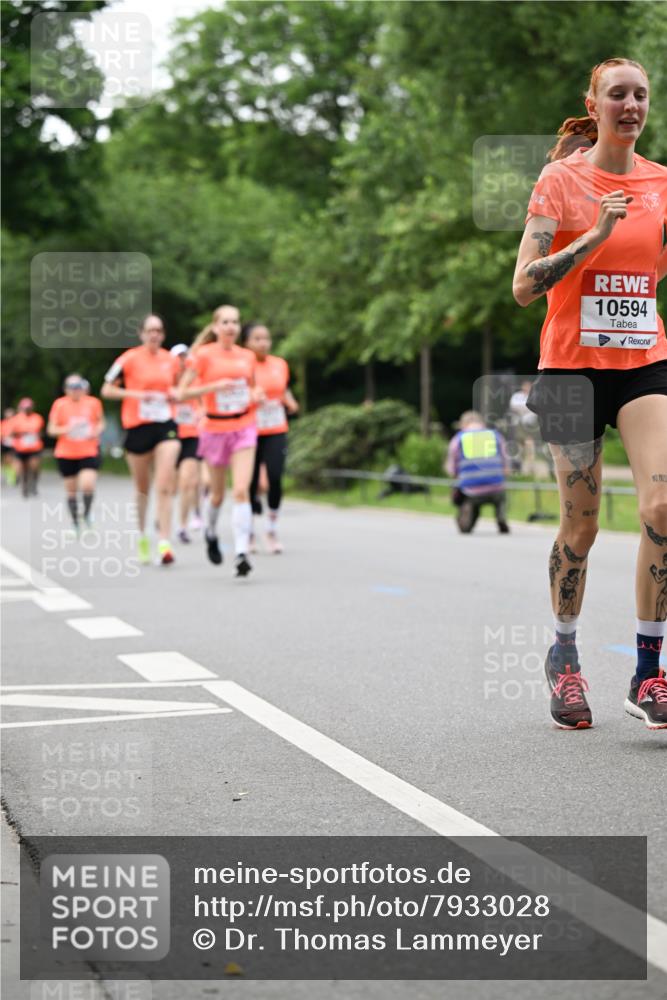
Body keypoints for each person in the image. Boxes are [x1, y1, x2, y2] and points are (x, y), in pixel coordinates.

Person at [513, 57, 667, 730]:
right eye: (616, 94)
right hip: (571, 369)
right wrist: (595, 237)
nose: (629, 104)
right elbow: (523, 285)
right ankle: (565, 656)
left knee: (663, 504)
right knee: (582, 522)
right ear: (593, 103)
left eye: (639, 94)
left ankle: (646, 672)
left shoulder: (663, 184)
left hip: (642, 364)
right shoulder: (560, 180)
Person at [175, 304, 259, 577]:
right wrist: (214, 387)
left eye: (235, 322)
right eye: (225, 322)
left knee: (242, 490)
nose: (231, 327)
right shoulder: (202, 355)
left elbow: (253, 386)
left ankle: (241, 552)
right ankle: (210, 530)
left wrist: (256, 395)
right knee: (218, 493)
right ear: (215, 327)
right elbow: (181, 392)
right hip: (214, 428)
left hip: (244, 425)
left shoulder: (247, 356)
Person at [101, 315, 181, 565]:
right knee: (142, 489)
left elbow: (180, 389)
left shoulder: (172, 361)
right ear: (141, 334)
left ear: (164, 334)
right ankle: (142, 536)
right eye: (150, 331)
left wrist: (177, 395)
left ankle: (165, 542)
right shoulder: (128, 359)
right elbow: (107, 389)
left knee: (165, 484)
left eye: (159, 330)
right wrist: (137, 394)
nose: (154, 335)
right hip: (137, 428)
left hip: (165, 425)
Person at [242, 322, 299, 553]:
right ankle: (249, 531)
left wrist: (290, 401)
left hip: (276, 427)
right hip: (249, 429)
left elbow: (283, 388)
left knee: (275, 476)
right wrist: (251, 397)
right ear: (246, 342)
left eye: (266, 338)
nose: (263, 343)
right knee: (251, 482)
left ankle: (271, 528)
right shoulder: (242, 365)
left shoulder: (279, 364)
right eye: (257, 338)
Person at [47, 374, 105, 531]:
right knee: (71, 491)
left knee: (88, 485)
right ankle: (75, 522)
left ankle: (86, 513)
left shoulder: (93, 403)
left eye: (78, 387)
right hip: (66, 453)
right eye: (72, 387)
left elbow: (101, 422)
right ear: (66, 390)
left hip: (88, 450)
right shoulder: (59, 405)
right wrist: (67, 429)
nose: (75, 390)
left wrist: (96, 431)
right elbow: (51, 430)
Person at [445, 411, 510, 534]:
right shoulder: (495, 436)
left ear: (464, 424)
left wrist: (456, 475)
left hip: (470, 489)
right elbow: (506, 462)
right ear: (482, 423)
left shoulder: (459, 439)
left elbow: (451, 469)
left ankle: (467, 513)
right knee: (501, 497)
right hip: (496, 486)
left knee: (462, 494)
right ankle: (501, 515)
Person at [170, 343, 203, 543]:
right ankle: (163, 515)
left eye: (185, 357)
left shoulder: (196, 381)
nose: (182, 361)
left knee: (188, 482)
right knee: (170, 485)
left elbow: (204, 403)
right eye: (178, 357)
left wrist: (200, 412)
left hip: (191, 434)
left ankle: (183, 525)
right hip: (169, 435)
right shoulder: (164, 379)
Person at [9, 398, 44, 497]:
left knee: (34, 467)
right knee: (21, 469)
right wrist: (21, 433)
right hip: (20, 448)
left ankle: (34, 484)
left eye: (29, 408)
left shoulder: (38, 418)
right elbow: (11, 433)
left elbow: (40, 431)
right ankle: (24, 486)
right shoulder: (16, 419)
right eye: (25, 408)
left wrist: (34, 435)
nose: (27, 409)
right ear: (21, 408)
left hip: (34, 448)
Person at [508, 379, 540, 476]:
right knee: (520, 446)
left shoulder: (535, 396)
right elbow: (514, 406)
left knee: (529, 444)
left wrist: (524, 409)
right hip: (519, 424)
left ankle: (529, 468)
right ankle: (519, 468)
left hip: (531, 425)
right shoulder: (517, 396)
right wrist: (526, 409)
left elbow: (535, 408)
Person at [1, 407, 17, 486]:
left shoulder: (16, 422)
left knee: (13, 460)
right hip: (5, 443)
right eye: (7, 413)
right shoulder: (3, 423)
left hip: (15, 444)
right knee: (6, 460)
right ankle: (8, 474)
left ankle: (13, 477)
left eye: (10, 413)